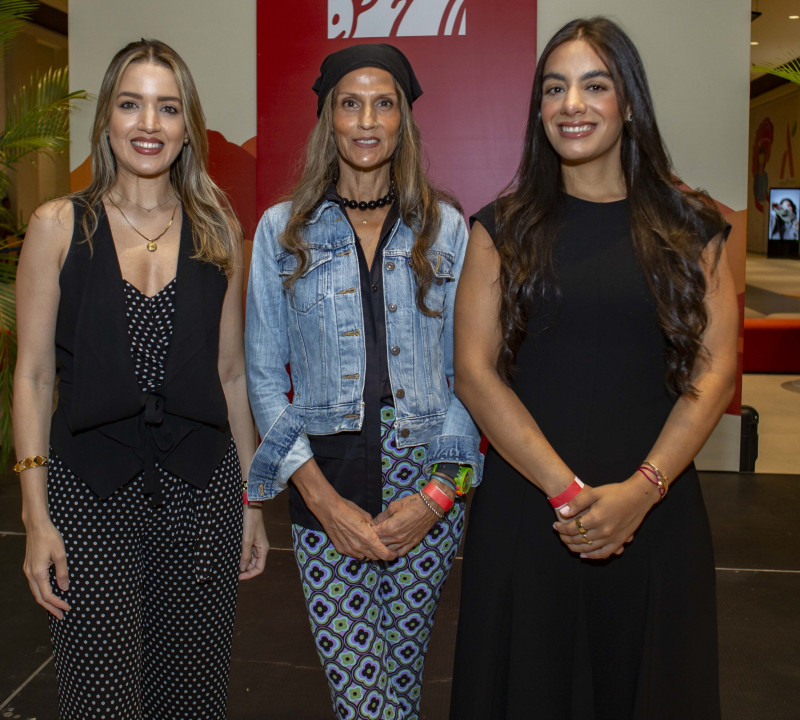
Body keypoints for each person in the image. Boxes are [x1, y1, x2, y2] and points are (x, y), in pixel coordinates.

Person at [450, 17, 737, 720]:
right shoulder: (501, 228)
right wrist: (567, 494)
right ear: (539, 110)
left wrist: (640, 491)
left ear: (629, 102)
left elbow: (715, 371)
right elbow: (474, 372)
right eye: (554, 89)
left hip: (656, 517)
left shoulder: (694, 229)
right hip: (530, 516)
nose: (571, 105)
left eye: (594, 85)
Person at [13, 39, 267, 720]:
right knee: (99, 700)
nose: (148, 124)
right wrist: (36, 516)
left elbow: (231, 374)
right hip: (86, 499)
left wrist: (251, 500)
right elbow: (35, 378)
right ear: (106, 120)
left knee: (190, 701)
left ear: (188, 127)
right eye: (131, 104)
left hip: (200, 496)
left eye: (167, 107)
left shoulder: (218, 229)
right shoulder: (57, 225)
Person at [245, 43, 482, 720]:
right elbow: (264, 379)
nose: (368, 119)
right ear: (329, 118)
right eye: (351, 103)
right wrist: (321, 502)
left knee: (400, 690)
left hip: (427, 477)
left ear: (404, 120)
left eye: (385, 103)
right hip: (325, 477)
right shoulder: (281, 232)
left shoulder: (446, 229)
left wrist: (438, 497)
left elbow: (472, 376)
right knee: (363, 700)